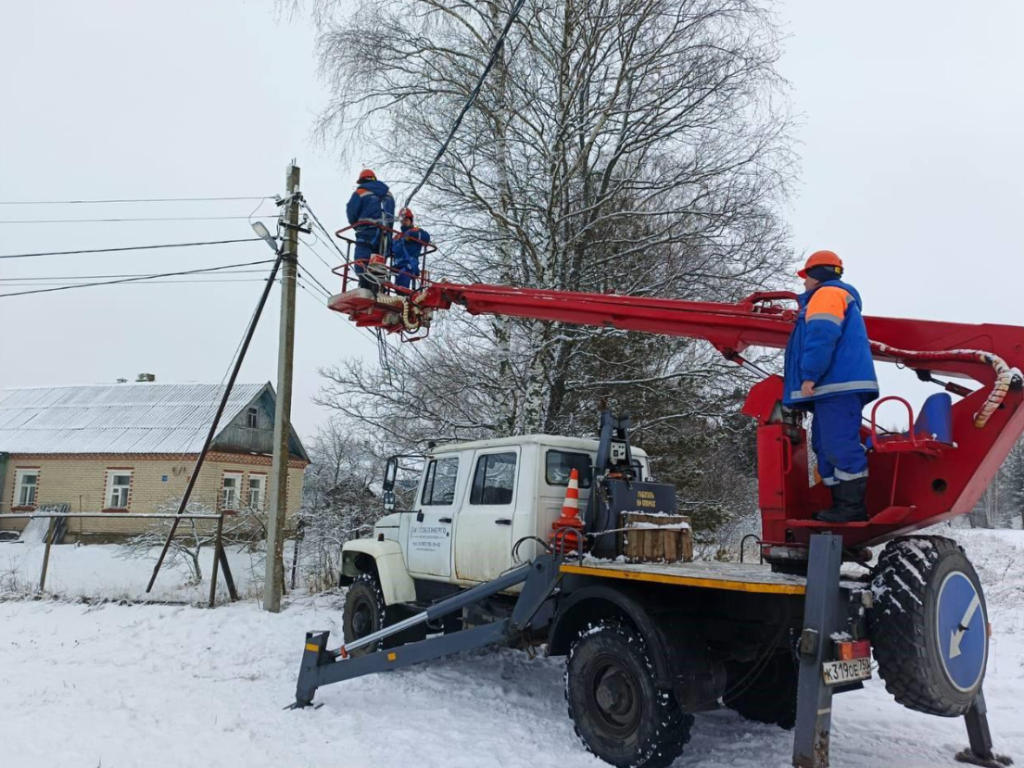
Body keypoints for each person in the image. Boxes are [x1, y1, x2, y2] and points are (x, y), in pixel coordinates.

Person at [783, 250, 879, 523]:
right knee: (825, 446)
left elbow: (822, 335)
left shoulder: (827, 295)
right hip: (834, 387)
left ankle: (851, 508)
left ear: (817, 275)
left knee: (838, 445)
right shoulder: (834, 296)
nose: (803, 283)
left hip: (838, 385)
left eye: (806, 276)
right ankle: (839, 505)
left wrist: (809, 375)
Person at [345, 169, 396, 289]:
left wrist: (357, 226)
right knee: (380, 258)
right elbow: (391, 215)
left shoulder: (360, 192)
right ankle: (378, 285)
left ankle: (364, 282)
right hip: (385, 233)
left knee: (362, 254)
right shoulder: (389, 194)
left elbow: (351, 212)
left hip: (367, 230)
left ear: (361, 180)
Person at [390, 207, 431, 291]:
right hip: (397, 265)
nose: (404, 222)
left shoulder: (416, 230)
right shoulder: (397, 236)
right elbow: (390, 248)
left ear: (410, 220)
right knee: (396, 286)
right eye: (402, 220)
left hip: (408, 264)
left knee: (402, 284)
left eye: (406, 220)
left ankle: (404, 298)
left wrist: (412, 235)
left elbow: (426, 237)